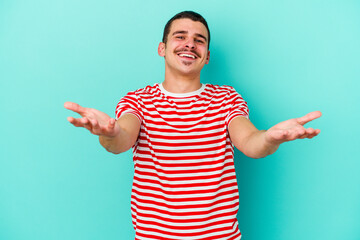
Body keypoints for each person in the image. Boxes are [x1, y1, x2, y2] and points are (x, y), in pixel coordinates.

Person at [64, 11, 321, 240]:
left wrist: (270, 138)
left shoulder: (227, 98)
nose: (190, 43)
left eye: (199, 40)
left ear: (207, 56)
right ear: (161, 49)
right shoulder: (138, 100)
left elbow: (250, 142)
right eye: (180, 36)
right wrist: (109, 133)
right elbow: (121, 139)